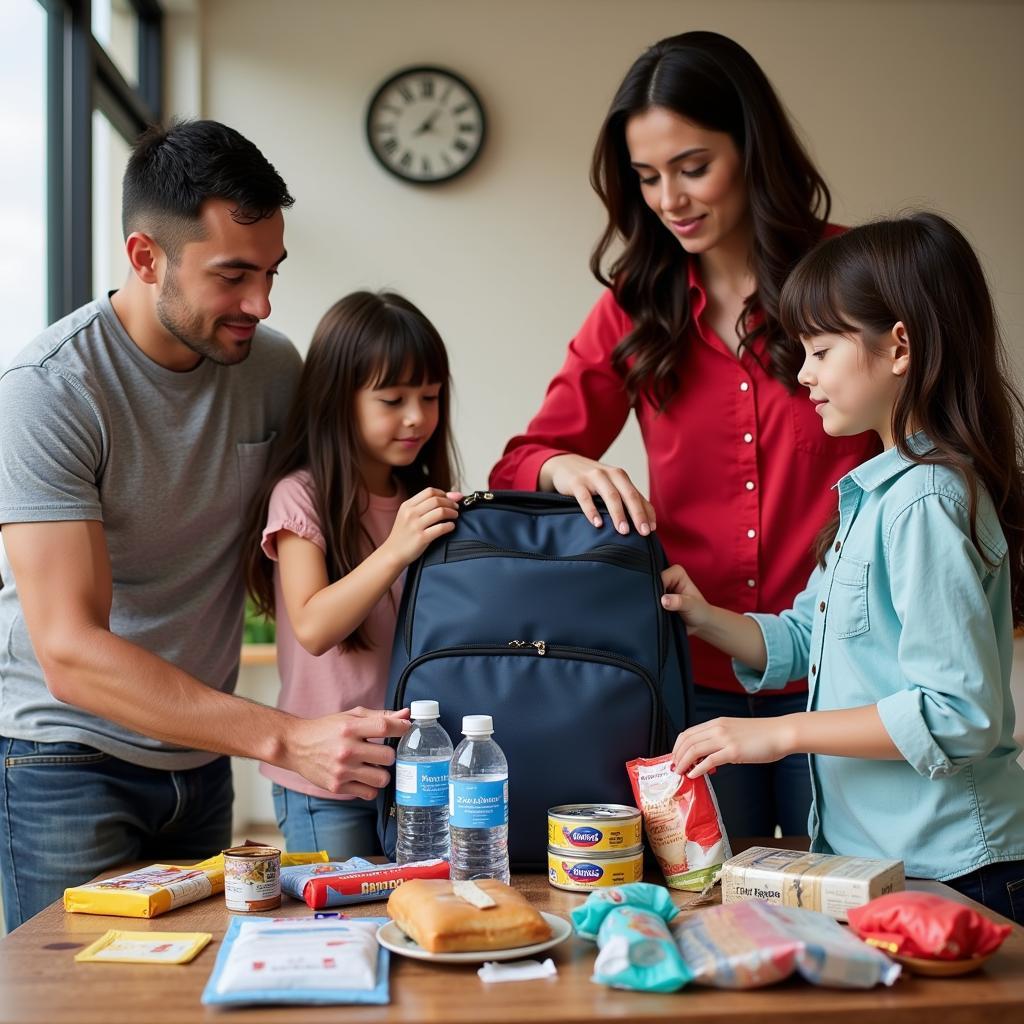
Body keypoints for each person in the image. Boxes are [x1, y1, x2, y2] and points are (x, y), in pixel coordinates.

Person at [0, 120, 410, 931]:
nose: (260, 303)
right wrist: (287, 739)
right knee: (73, 1002)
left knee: (182, 997)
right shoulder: (47, 392)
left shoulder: (271, 368)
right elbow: (71, 655)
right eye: (233, 277)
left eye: (270, 273)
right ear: (146, 257)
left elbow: (341, 503)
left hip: (206, 753)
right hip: (66, 760)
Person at [489, 31, 878, 838]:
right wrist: (565, 467)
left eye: (693, 167)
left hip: (843, 682)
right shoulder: (637, 305)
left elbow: (933, 442)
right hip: (690, 686)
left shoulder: (850, 279)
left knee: (854, 919)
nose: (669, 198)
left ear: (751, 148)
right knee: (717, 917)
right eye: (648, 177)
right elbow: (521, 460)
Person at [663, 213, 1024, 920]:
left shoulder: (925, 499)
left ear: (899, 348)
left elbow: (956, 714)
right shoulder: (877, 493)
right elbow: (806, 637)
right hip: (884, 868)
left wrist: (777, 732)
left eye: (820, 350)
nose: (803, 375)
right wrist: (704, 616)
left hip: (956, 870)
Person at [242, 291, 461, 859]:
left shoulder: (423, 501)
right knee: (342, 927)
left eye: (430, 397)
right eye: (393, 399)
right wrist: (396, 547)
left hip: (416, 770)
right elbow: (314, 627)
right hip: (327, 780)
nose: (417, 416)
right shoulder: (301, 496)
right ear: (340, 401)